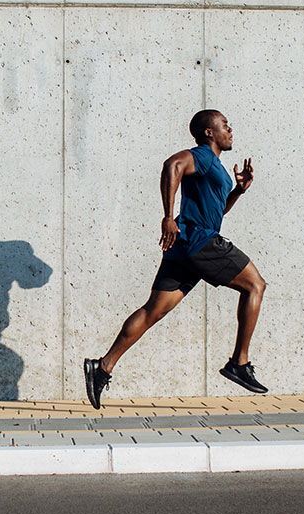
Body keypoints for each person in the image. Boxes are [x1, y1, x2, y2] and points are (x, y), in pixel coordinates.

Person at [84, 110, 269, 409]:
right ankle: (239, 362)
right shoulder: (203, 156)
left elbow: (215, 214)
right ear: (209, 133)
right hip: (199, 241)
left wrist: (238, 191)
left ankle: (102, 366)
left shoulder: (215, 168)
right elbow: (173, 164)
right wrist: (168, 216)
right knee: (255, 286)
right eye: (224, 125)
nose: (230, 129)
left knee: (153, 310)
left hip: (185, 246)